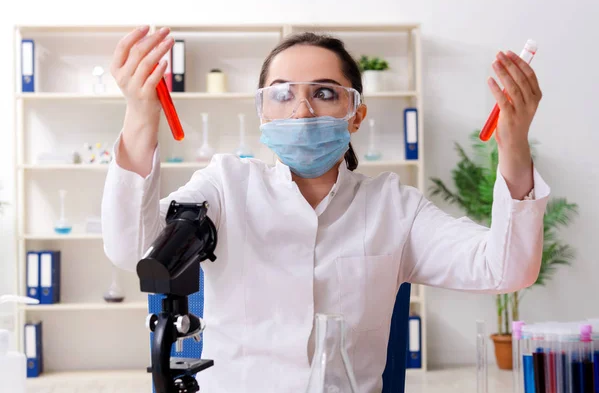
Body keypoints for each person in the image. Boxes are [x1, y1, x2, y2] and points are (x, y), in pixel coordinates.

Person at [101, 25, 550, 393]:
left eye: (324, 93)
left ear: (356, 114)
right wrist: (141, 115)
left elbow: (505, 269)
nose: (301, 110)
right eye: (282, 94)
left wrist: (513, 143)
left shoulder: (393, 206)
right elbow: (134, 249)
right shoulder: (226, 185)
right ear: (262, 114)